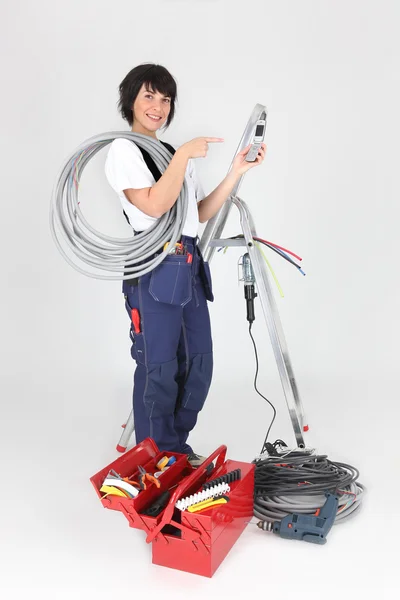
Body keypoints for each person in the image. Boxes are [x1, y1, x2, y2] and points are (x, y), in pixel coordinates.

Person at [104, 63, 266, 466]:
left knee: (198, 362)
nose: (158, 106)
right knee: (158, 365)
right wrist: (182, 155)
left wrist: (235, 172)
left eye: (165, 98)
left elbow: (197, 213)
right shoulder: (123, 151)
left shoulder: (175, 156)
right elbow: (154, 206)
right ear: (130, 100)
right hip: (154, 264)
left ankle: (174, 448)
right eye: (149, 96)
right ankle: (156, 456)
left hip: (188, 263)